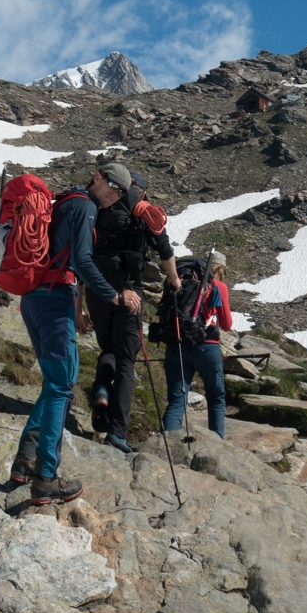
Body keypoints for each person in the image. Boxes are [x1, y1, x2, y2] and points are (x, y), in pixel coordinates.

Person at [8, 170, 142, 504]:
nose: (114, 197)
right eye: (115, 190)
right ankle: (47, 478)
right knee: (61, 387)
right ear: (102, 181)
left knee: (53, 383)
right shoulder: (86, 208)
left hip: (32, 298)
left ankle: (25, 461)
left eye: (119, 195)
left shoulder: (62, 201)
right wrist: (114, 296)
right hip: (55, 300)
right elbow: (82, 259)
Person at [83, 162, 180, 455]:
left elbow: (81, 258)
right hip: (129, 295)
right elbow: (164, 249)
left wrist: (79, 308)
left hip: (97, 292)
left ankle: (101, 389)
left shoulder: (94, 209)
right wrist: (174, 280)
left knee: (108, 349)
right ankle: (117, 433)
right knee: (126, 360)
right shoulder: (143, 212)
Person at [162, 251, 234, 439]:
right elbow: (226, 325)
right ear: (222, 270)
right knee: (216, 396)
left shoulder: (181, 281)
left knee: (177, 400)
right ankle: (216, 443)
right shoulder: (218, 286)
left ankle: (167, 445)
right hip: (207, 346)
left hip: (177, 344)